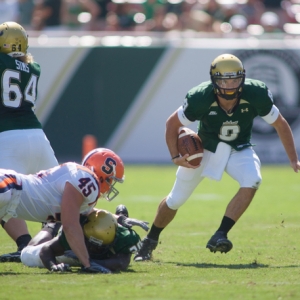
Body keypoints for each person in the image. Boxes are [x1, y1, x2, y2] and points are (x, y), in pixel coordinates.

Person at [134, 53, 300, 261]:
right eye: (224, 79)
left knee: (253, 179)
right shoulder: (200, 97)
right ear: (214, 80)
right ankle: (149, 241)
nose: (230, 85)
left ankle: (221, 233)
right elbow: (172, 124)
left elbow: (280, 123)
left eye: (235, 79)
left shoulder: (256, 93)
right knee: (175, 200)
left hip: (238, 148)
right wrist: (175, 156)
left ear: (243, 78)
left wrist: (293, 158)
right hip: (204, 149)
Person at [0, 147, 129, 272]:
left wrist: (119, 218)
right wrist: (88, 263)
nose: (111, 185)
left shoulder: (81, 180)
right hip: (8, 188)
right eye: (111, 180)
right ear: (102, 175)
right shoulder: (89, 180)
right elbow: (70, 225)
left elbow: (85, 212)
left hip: (9, 195)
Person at [0, 21, 59, 261]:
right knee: (59, 196)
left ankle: (26, 245)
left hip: (8, 138)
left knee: (4, 196)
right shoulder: (34, 67)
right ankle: (63, 242)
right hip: (37, 137)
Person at [20, 205, 147, 273]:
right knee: (25, 254)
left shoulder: (124, 237)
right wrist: (54, 266)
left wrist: (89, 263)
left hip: (81, 253)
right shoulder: (77, 231)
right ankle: (52, 225)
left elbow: (121, 263)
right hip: (71, 242)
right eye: (93, 245)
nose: (96, 250)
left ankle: (121, 217)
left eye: (100, 246)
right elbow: (47, 250)